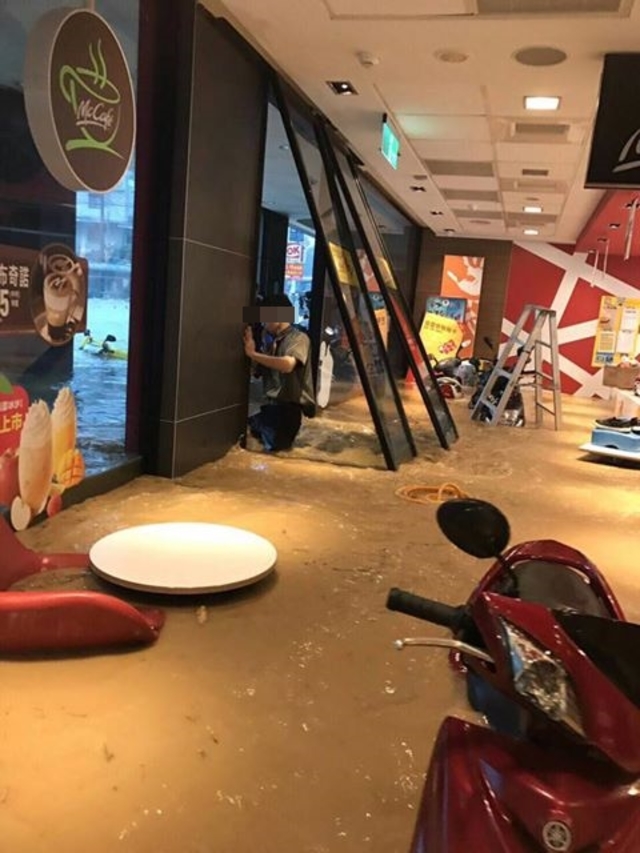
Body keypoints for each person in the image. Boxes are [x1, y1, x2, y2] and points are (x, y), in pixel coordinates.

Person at [243, 293, 315, 452]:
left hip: (287, 412)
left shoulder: (299, 338)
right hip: (271, 408)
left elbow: (287, 365)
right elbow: (258, 371)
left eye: (265, 317)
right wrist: (253, 352)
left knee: (275, 453)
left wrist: (253, 354)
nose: (263, 323)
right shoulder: (271, 339)